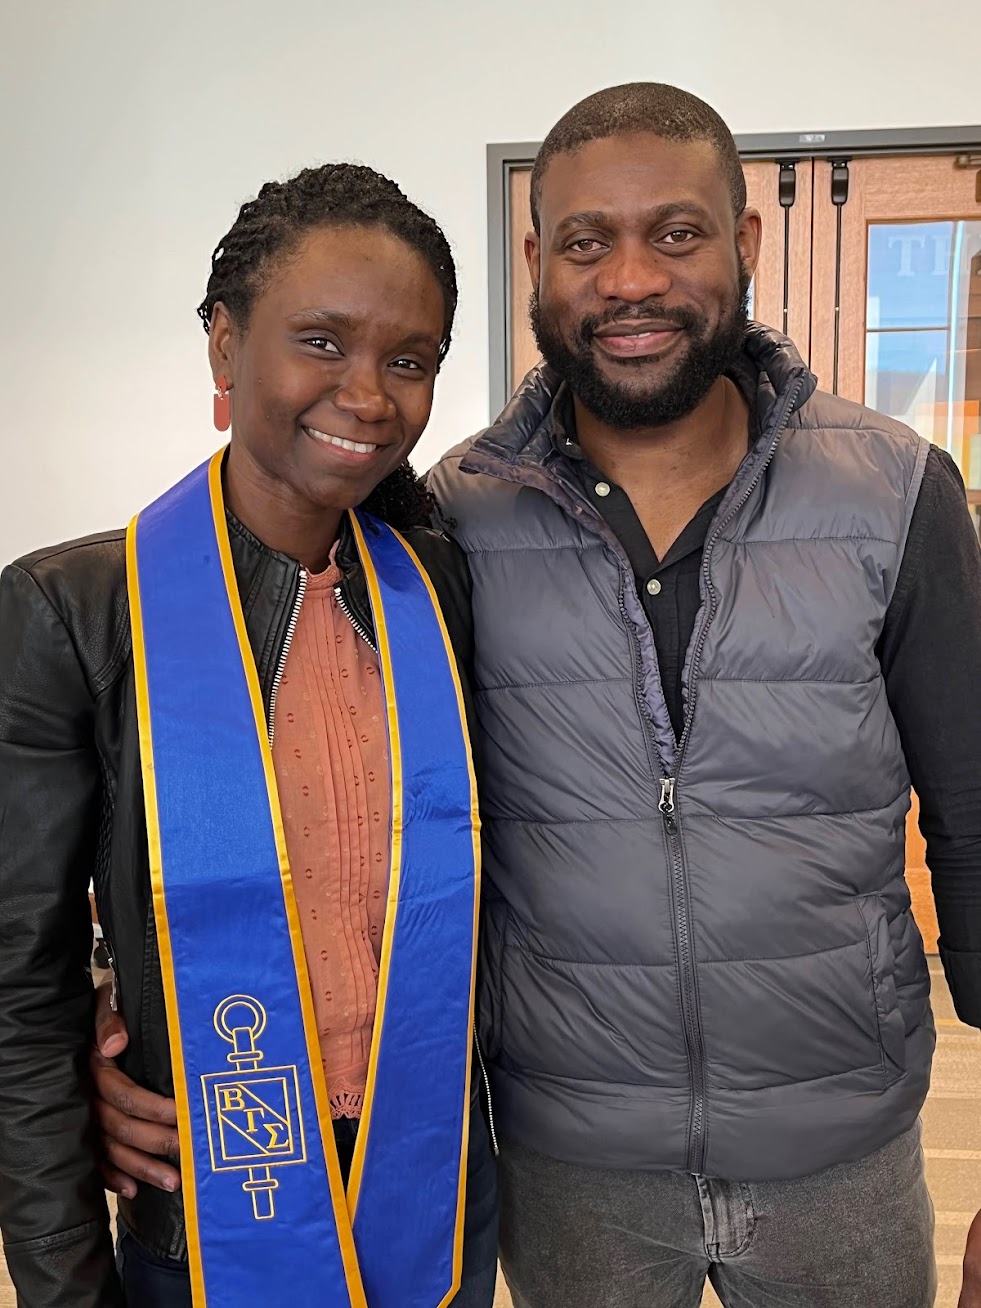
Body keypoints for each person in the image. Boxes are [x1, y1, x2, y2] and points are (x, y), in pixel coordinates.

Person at [93, 83, 981, 1306]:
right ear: (536, 262)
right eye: (585, 242)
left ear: (747, 245)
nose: (629, 280)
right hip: (571, 1168)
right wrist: (124, 1006)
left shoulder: (895, 492)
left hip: (840, 1158)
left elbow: (975, 820)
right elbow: (299, 792)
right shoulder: (443, 521)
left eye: (675, 233)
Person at [0, 163, 498, 1308]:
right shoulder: (76, 612)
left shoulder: (444, 593)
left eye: (410, 361)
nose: (369, 395)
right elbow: (20, 990)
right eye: (321, 341)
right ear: (225, 348)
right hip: (207, 1212)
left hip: (430, 1183)